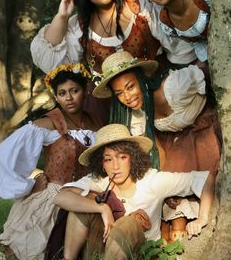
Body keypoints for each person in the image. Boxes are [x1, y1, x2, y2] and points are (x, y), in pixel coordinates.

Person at [30, 0, 197, 125]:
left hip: (155, 87)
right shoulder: (80, 25)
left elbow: (177, 45)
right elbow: (49, 59)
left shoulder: (139, 4)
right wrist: (63, 14)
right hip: (109, 103)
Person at [92, 50, 221, 241]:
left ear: (141, 80)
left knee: (206, 176)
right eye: (120, 93)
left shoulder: (174, 88)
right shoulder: (136, 114)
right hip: (174, 141)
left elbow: (208, 70)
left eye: (130, 87)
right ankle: (173, 242)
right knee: (170, 190)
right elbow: (151, 147)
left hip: (204, 128)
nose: (127, 97)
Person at [54, 123, 214, 260]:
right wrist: (102, 208)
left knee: (127, 223)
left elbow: (205, 179)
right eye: (108, 159)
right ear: (102, 163)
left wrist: (202, 218)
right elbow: (62, 196)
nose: (115, 166)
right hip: (101, 250)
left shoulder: (152, 181)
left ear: (132, 157)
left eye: (122, 157)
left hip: (142, 253)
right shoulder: (101, 180)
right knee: (80, 208)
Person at [0, 63, 100, 260]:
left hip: (85, 192)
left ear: (85, 90)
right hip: (52, 195)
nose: (68, 98)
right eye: (62, 93)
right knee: (32, 249)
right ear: (55, 96)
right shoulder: (47, 123)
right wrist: (27, 186)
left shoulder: (95, 123)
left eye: (74, 91)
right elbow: (1, 157)